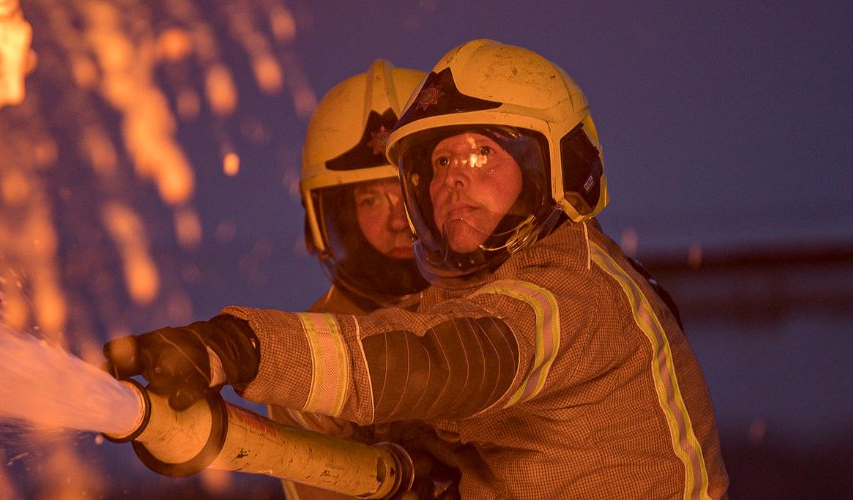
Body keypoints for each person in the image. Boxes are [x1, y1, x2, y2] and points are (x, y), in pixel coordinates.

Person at [105, 39, 728, 498]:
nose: (452, 181)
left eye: (483, 153)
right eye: (438, 165)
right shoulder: (473, 298)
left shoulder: (566, 293)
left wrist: (237, 347)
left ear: (556, 167)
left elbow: (439, 360)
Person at [277, 58, 461, 500]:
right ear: (334, 217)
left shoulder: (502, 302)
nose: (400, 222)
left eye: (410, 193)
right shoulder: (311, 351)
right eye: (372, 200)